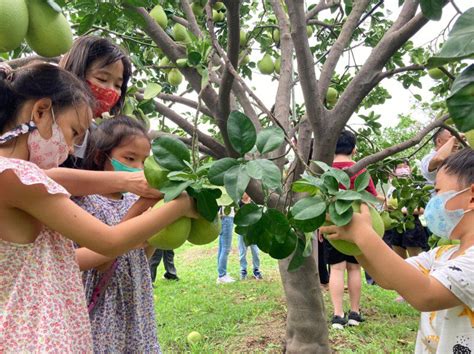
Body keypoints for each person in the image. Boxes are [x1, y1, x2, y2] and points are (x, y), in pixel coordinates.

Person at [0, 64, 197, 352]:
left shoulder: (13, 176)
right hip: (34, 340)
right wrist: (182, 205)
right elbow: (109, 241)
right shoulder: (18, 179)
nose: (69, 149)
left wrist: (131, 182)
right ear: (41, 111)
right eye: (73, 132)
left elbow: (56, 179)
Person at [321, 148, 474, 353]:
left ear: (471, 196)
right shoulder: (442, 254)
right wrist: (353, 241)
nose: (432, 201)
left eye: (437, 191)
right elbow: (388, 278)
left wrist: (363, 234)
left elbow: (425, 295)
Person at [74, 116, 160, 352]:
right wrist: (142, 207)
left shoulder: (132, 199)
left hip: (136, 302)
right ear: (102, 157)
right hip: (104, 310)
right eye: (129, 159)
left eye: (144, 161)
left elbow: (144, 254)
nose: (139, 169)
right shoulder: (84, 204)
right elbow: (103, 262)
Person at [324, 130, 379, 329]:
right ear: (354, 150)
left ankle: (338, 315)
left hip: (333, 225)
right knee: (355, 268)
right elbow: (371, 197)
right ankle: (354, 313)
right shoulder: (360, 170)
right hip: (357, 226)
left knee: (336, 269)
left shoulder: (326, 170)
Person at [59, 35, 132, 168]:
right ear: (75, 73)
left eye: (117, 86)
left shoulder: (98, 142)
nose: (110, 91)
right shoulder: (41, 126)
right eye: (102, 79)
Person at [237, 193, 262, 280]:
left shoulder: (253, 203)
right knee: (242, 252)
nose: (247, 193)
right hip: (242, 231)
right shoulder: (238, 203)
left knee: (255, 251)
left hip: (252, 231)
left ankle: (256, 270)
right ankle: (243, 271)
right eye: (244, 192)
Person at [217, 205, 235, 284]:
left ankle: (221, 274)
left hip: (224, 217)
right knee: (225, 248)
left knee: (222, 248)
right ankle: (222, 275)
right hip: (227, 217)